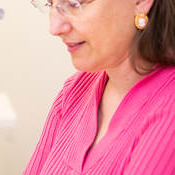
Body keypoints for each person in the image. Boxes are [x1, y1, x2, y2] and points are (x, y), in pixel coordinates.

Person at [24, 0, 174, 174]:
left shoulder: (169, 111)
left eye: (74, 3)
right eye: (50, 3)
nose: (55, 28)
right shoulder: (76, 90)